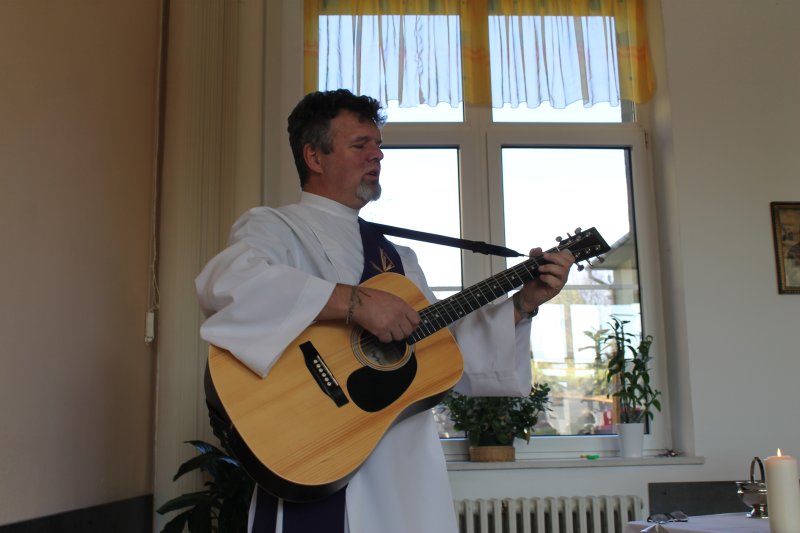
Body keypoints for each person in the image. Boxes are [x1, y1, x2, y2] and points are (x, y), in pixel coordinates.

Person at [195, 89, 575, 533]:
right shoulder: (276, 227)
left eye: (378, 145)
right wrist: (354, 303)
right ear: (314, 156)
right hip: (309, 448)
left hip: (402, 473)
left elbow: (446, 351)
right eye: (360, 145)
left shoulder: (398, 258)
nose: (377, 155)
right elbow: (228, 284)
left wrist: (524, 303)